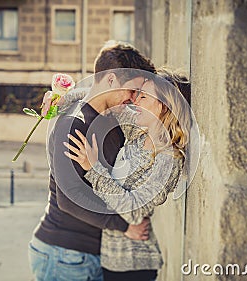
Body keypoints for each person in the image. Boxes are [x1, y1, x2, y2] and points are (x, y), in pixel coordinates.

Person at [28, 41, 156, 281]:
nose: (133, 98)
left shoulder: (112, 117)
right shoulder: (72, 124)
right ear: (110, 80)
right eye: (131, 90)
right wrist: (124, 226)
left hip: (88, 255)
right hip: (65, 255)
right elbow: (70, 199)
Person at [64, 68, 192, 281]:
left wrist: (93, 168)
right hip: (110, 258)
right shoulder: (137, 132)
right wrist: (61, 98)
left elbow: (135, 212)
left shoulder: (168, 160)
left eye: (143, 96)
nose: (135, 100)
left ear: (163, 105)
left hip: (134, 265)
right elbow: (102, 98)